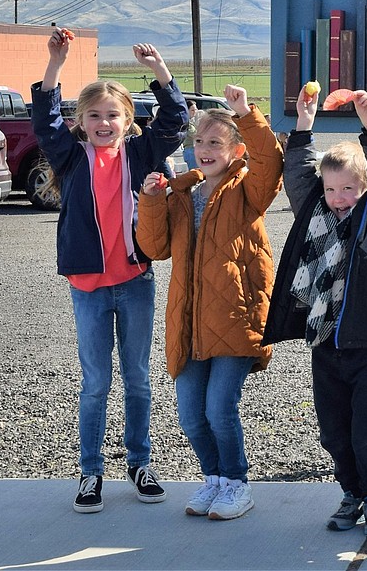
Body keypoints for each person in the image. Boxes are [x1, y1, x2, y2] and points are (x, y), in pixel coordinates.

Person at [32, 31, 187, 514]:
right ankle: (90, 471)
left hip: (135, 281)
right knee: (96, 381)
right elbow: (45, 119)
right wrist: (55, 64)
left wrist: (160, 70)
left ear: (127, 121)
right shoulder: (70, 156)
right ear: (81, 121)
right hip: (89, 289)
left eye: (112, 115)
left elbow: (177, 119)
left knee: (138, 378)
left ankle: (140, 463)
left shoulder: (142, 154)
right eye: (94, 116)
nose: (104, 122)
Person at [263, 88, 367, 538]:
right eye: (331, 189)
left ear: (364, 189)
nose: (338, 197)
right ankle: (350, 492)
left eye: (348, 188)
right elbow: (297, 175)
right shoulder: (316, 213)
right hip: (325, 340)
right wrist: (304, 124)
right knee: (333, 432)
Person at [136, 85, 284, 521]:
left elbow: (270, 163)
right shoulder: (181, 195)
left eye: (215, 142)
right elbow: (154, 246)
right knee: (190, 414)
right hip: (189, 322)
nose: (204, 149)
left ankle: (237, 484)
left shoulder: (248, 193)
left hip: (236, 319)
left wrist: (246, 113)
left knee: (220, 409)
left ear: (237, 150)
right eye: (198, 142)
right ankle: (215, 480)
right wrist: (150, 200)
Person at [181, 101, 199, 170]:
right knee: (194, 174)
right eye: (192, 110)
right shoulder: (186, 122)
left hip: (192, 150)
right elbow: (194, 135)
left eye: (196, 110)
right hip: (190, 150)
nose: (194, 112)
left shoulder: (192, 121)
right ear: (186, 110)